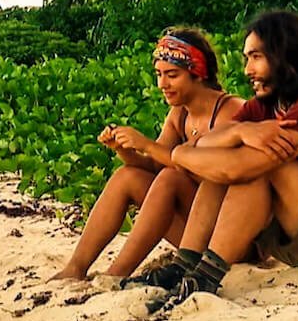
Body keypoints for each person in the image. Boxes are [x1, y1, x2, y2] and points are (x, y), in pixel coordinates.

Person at [131, 10, 298, 311]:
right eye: (246, 58)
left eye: (256, 57)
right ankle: (184, 266)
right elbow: (207, 144)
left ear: (285, 55)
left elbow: (238, 167)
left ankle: (205, 278)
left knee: (262, 165)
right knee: (236, 160)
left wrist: (179, 154)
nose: (248, 69)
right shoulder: (264, 107)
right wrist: (240, 131)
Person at [49, 28, 240, 281]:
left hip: (231, 237)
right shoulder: (179, 114)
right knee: (127, 176)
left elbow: (213, 170)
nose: (162, 84)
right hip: (193, 231)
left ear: (198, 73)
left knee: (171, 178)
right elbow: (154, 166)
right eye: (159, 74)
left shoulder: (230, 110)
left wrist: (147, 145)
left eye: (172, 75)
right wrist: (125, 150)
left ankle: (116, 274)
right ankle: (76, 267)